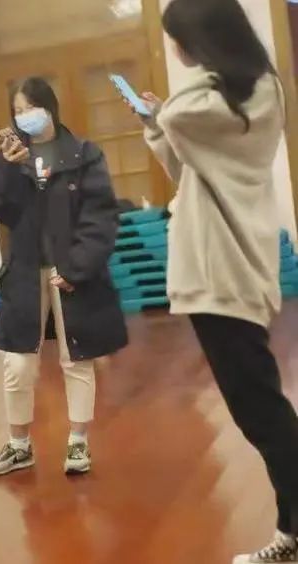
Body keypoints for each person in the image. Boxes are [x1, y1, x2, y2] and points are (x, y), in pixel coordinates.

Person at [140, 0, 298, 561]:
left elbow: (179, 117)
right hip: (222, 268)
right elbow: (189, 167)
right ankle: (292, 531)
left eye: (179, 40)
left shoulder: (244, 92)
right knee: (260, 407)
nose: (177, 51)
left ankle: (294, 534)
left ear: (204, 41)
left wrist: (165, 111)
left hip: (225, 269)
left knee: (261, 411)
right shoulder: (237, 93)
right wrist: (155, 121)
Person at [0, 77, 127, 477]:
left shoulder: (83, 154)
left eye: (31, 107)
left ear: (50, 107)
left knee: (76, 358)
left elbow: (101, 217)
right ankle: (19, 445)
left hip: (71, 270)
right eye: (18, 111)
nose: (24, 116)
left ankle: (78, 441)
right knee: (17, 363)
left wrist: (78, 267)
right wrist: (5, 167)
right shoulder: (9, 158)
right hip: (25, 270)